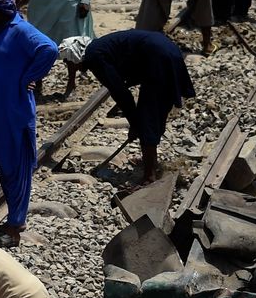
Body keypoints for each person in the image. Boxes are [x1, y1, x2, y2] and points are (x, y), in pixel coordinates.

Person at [0, 0, 57, 247]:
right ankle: (14, 216)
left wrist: (29, 76)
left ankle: (15, 225)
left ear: (2, 8)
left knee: (17, 166)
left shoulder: (19, 29)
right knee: (3, 164)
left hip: (13, 110)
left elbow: (49, 49)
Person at [58, 32, 195, 184]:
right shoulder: (98, 48)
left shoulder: (94, 57)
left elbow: (121, 93)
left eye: (67, 61)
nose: (69, 66)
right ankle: (151, 163)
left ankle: (149, 177)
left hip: (158, 59)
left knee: (147, 119)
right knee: (154, 112)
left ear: (74, 56)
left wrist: (135, 123)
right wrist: (134, 122)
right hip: (167, 51)